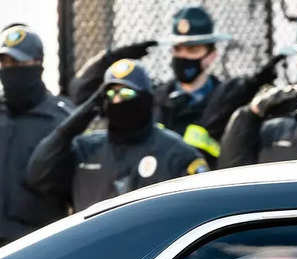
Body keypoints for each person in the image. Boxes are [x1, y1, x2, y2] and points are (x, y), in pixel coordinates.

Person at [69, 6, 282, 166]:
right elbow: (80, 92)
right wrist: (115, 58)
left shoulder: (229, 100)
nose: (183, 57)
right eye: (178, 49)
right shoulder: (154, 98)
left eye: (192, 50)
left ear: (211, 56)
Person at [27, 59, 207, 212]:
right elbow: (38, 174)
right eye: (111, 94)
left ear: (147, 99)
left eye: (126, 93)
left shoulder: (176, 154)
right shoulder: (85, 149)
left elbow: (199, 209)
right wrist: (77, 121)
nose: (118, 101)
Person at [0, 25, 74, 245]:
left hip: (37, 244)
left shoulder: (61, 119)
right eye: (4, 62)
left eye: (18, 63)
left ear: (38, 64)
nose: (9, 69)